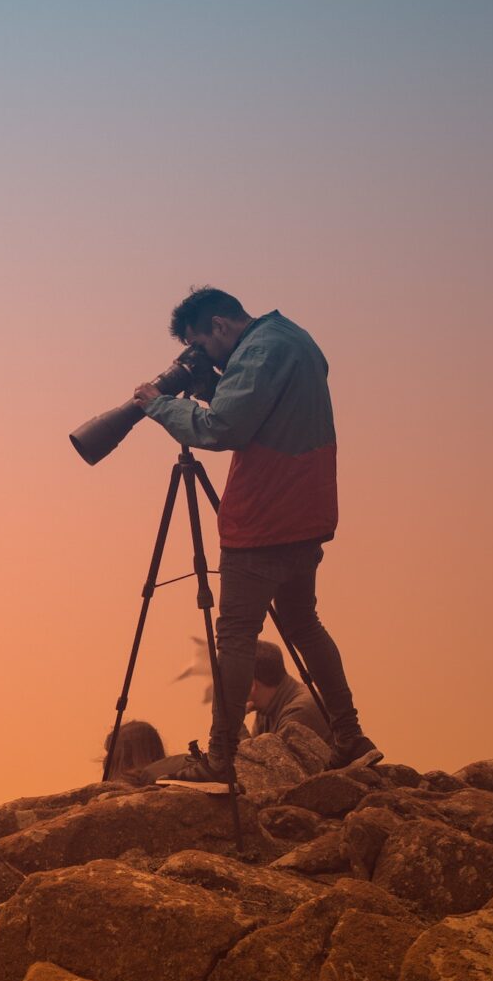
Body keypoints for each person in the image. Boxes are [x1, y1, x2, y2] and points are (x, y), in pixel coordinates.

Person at [135, 286, 377, 775]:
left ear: (219, 327)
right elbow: (266, 408)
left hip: (264, 517)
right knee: (304, 623)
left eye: (199, 345)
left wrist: (158, 405)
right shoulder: (294, 338)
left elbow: (224, 428)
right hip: (307, 511)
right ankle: (351, 736)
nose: (198, 355)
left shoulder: (260, 351)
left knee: (237, 637)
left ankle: (222, 756)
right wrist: (213, 385)